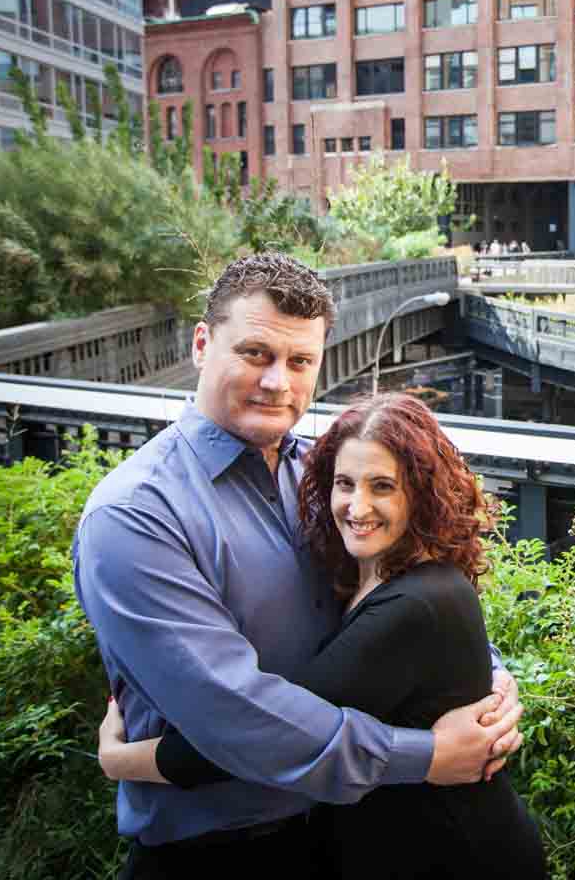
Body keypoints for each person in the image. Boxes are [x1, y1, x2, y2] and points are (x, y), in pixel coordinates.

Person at [73, 253, 522, 878]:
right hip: (218, 852)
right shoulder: (135, 517)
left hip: (347, 837)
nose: (278, 383)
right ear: (203, 344)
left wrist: (491, 681)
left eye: (300, 361)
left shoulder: (331, 477)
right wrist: (424, 755)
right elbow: (236, 714)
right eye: (255, 353)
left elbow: (412, 595)